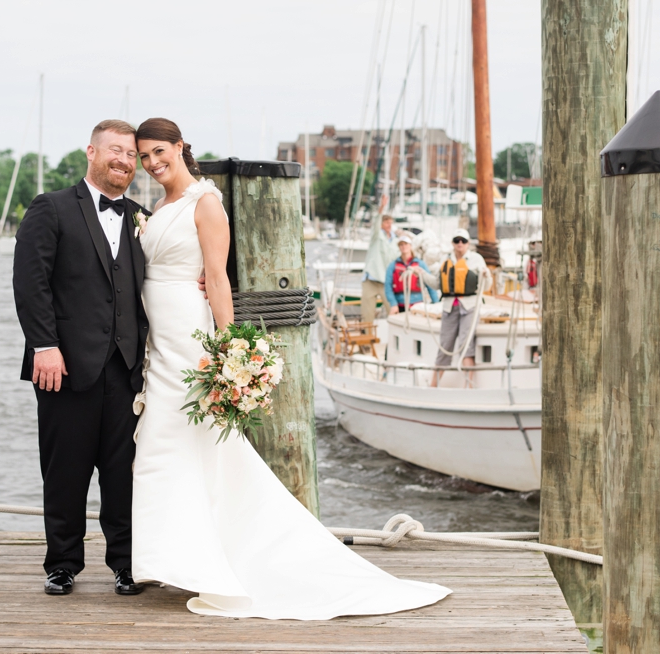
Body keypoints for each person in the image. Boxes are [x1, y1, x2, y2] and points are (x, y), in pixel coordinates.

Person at [130, 117, 450, 619]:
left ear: (180, 147)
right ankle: (180, 558)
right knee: (170, 446)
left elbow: (216, 277)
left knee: (172, 443)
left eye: (158, 152)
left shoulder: (205, 203)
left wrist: (228, 345)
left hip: (189, 339)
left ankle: (202, 560)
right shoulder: (159, 206)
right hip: (159, 340)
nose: (151, 164)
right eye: (144, 156)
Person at [12, 120, 154, 597]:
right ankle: (63, 563)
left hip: (127, 369)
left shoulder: (141, 217)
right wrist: (44, 347)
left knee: (123, 474)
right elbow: (30, 284)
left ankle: (126, 564)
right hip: (64, 368)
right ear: (91, 152)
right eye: (115, 150)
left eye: (132, 155)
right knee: (65, 470)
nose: (124, 161)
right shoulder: (50, 208)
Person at [429, 228, 491, 387]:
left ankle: (468, 385)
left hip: (469, 306)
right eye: (457, 241)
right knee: (445, 346)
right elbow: (437, 283)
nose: (460, 244)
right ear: (453, 243)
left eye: (463, 241)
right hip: (449, 307)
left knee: (466, 345)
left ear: (468, 243)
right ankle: (433, 385)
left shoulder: (476, 259)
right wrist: (420, 273)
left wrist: (487, 275)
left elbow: (486, 286)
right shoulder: (446, 259)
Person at [384, 234, 440, 315]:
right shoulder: (393, 265)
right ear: (399, 247)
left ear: (410, 245)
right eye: (401, 244)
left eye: (406, 244)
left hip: (418, 304)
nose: (403, 246)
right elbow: (387, 286)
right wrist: (393, 304)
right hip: (400, 304)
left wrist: (436, 304)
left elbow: (430, 284)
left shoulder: (420, 264)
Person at [361, 214, 399, 322]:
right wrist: (381, 208)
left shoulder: (395, 241)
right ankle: (367, 336)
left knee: (392, 310)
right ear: (381, 224)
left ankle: (395, 336)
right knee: (367, 314)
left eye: (391, 223)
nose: (389, 225)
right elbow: (375, 225)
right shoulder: (376, 236)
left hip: (386, 282)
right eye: (387, 223)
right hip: (371, 280)